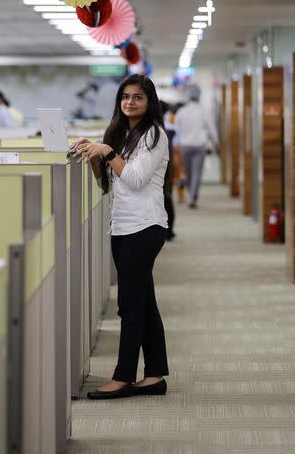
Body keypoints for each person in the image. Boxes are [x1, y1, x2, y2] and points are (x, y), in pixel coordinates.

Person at [71, 75, 170, 400]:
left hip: (145, 226)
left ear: (149, 101)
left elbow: (138, 179)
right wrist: (94, 156)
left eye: (137, 97)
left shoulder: (153, 134)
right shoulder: (120, 133)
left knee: (130, 306)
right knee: (144, 303)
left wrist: (109, 151)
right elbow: (107, 184)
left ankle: (123, 377)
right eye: (125, 96)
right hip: (123, 226)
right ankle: (154, 375)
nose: (130, 102)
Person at [174, 84, 220, 209]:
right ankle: (193, 197)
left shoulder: (181, 111)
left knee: (188, 173)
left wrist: (179, 142)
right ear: (199, 96)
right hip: (199, 145)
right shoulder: (203, 111)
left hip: (185, 146)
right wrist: (216, 143)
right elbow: (211, 128)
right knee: (196, 173)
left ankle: (191, 195)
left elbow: (177, 129)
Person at [160, 100, 176, 241]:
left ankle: (168, 230)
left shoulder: (158, 128)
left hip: (163, 168)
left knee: (165, 198)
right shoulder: (165, 127)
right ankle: (169, 230)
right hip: (167, 167)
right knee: (167, 197)